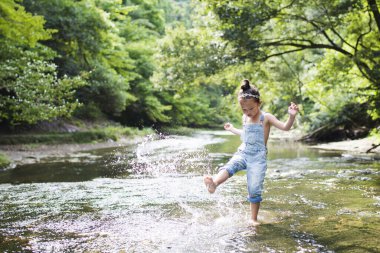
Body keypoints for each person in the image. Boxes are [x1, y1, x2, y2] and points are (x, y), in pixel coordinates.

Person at [204, 79, 299, 226]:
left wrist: (291, 116)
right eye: (244, 110)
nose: (248, 113)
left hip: (258, 158)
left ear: (258, 104)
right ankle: (214, 183)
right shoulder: (245, 118)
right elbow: (245, 134)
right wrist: (232, 130)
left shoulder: (266, 117)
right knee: (231, 166)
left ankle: (253, 219)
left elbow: (285, 127)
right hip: (244, 151)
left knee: (254, 188)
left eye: (251, 109)